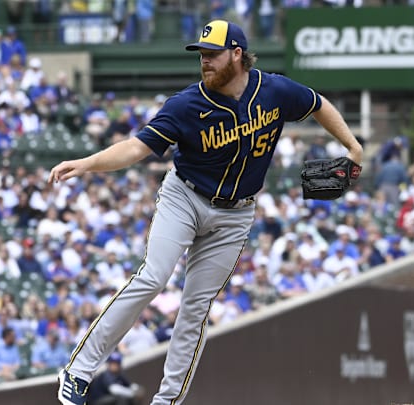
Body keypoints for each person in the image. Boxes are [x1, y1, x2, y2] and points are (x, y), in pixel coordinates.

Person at [51, 19, 363, 405]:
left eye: (213, 54)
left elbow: (317, 104)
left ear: (237, 54)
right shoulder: (186, 104)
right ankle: (78, 371)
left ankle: (167, 401)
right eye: (201, 54)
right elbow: (136, 148)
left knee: (196, 307)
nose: (205, 61)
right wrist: (88, 163)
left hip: (235, 216)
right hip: (185, 197)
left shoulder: (274, 90)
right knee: (153, 276)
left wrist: (353, 146)